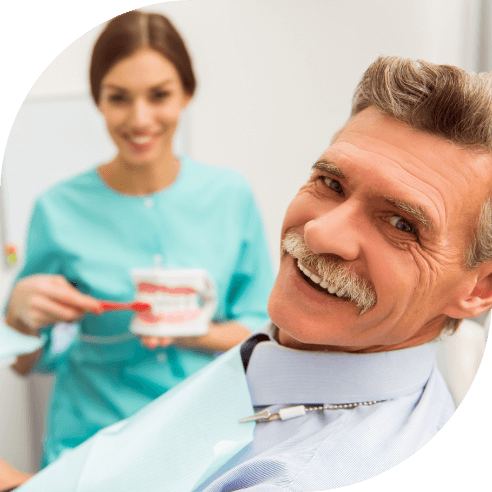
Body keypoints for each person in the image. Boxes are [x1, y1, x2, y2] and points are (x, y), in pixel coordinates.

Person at [2, 55, 491, 491]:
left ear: (479, 288)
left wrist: (196, 332)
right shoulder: (290, 345)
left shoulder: (303, 471)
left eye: (402, 223)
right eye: (330, 182)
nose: (321, 234)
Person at [2, 10, 273, 470]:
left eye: (159, 95)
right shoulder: (57, 209)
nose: (139, 118)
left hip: (205, 443)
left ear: (187, 93)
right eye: (119, 98)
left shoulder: (230, 196)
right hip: (89, 449)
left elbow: (265, 334)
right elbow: (27, 365)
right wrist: (18, 319)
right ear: (99, 101)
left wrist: (195, 331)